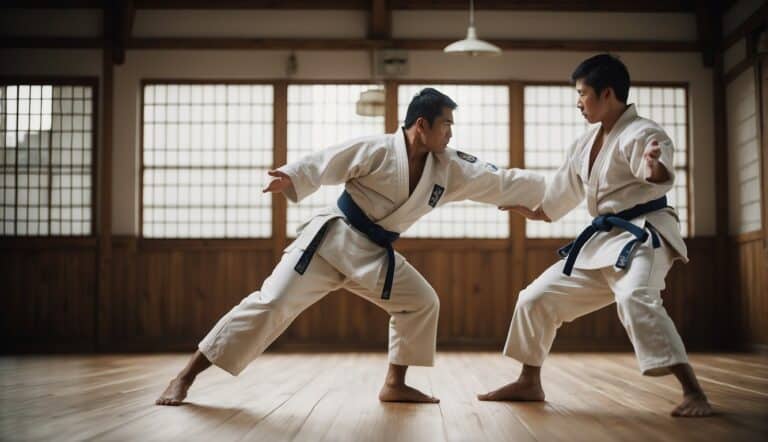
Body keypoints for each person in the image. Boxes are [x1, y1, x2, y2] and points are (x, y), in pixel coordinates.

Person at [156, 87, 546, 406]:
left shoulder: (449, 167)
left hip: (375, 254)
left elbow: (498, 179)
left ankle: (395, 384)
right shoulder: (377, 149)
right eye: (446, 125)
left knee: (421, 302)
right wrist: (291, 177)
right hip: (330, 242)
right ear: (421, 125)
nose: (450, 135)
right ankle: (185, 376)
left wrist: (551, 193)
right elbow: (329, 161)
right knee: (269, 304)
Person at [478, 54, 713, 418]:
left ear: (607, 93)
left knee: (636, 296)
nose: (578, 102)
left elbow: (657, 170)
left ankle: (694, 392)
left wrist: (655, 167)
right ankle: (529, 380)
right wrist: (532, 211)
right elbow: (559, 196)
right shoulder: (585, 144)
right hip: (601, 243)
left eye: (582, 94)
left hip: (642, 238)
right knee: (534, 298)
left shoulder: (643, 133)